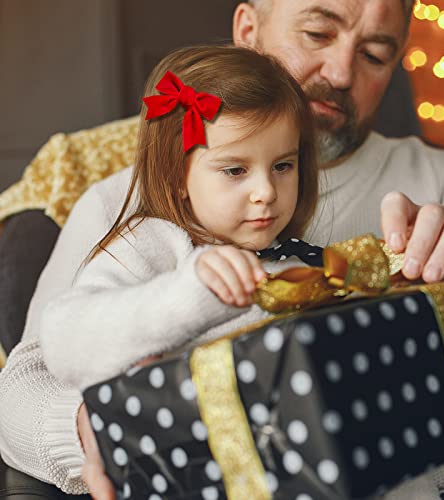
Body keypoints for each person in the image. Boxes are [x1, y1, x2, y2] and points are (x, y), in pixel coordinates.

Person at [0, 0, 444, 498]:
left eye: (373, 53)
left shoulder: (328, 241)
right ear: (247, 28)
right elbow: (47, 361)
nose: (342, 72)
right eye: (318, 34)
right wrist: (110, 427)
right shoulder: (136, 224)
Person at [39, 45, 320, 392]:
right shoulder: (156, 245)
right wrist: (189, 296)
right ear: (176, 177)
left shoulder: (297, 259)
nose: (266, 191)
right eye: (234, 170)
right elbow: (62, 341)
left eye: (283, 166)